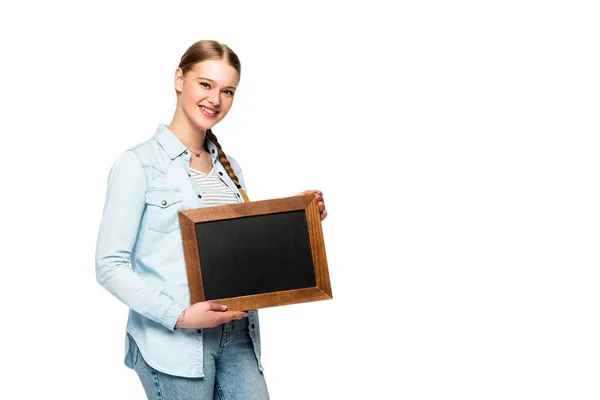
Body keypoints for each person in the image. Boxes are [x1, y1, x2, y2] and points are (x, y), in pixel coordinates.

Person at [95, 39, 327, 400]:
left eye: (228, 91)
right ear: (179, 79)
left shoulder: (231, 169)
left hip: (238, 336)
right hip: (171, 343)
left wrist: (295, 220)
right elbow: (110, 266)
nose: (215, 100)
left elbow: (241, 254)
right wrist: (180, 316)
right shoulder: (137, 165)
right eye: (206, 84)